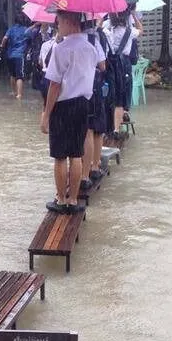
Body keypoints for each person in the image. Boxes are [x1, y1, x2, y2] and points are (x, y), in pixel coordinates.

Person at [41, 11, 105, 215]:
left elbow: (54, 85)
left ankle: (61, 199)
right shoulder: (91, 48)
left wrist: (46, 114)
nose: (58, 26)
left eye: (59, 22)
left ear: (69, 22)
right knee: (76, 153)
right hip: (83, 104)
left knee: (60, 155)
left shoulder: (60, 49)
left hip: (63, 106)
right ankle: (73, 199)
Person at [102, 9, 143, 136]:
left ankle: (107, 126)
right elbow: (141, 30)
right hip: (123, 63)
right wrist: (134, 16)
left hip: (109, 63)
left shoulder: (106, 29)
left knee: (110, 94)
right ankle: (116, 128)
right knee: (121, 95)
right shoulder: (129, 31)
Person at [80, 19, 108, 192]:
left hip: (77, 89)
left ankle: (82, 173)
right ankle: (95, 166)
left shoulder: (65, 42)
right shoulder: (94, 40)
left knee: (85, 131)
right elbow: (102, 66)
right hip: (94, 87)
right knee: (96, 129)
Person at [0, 12, 30, 99]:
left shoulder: (11, 29)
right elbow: (30, 39)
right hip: (19, 55)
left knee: (12, 74)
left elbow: (5, 38)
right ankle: (19, 95)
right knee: (19, 76)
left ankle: (13, 92)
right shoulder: (25, 30)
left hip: (10, 55)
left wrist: (1, 47)